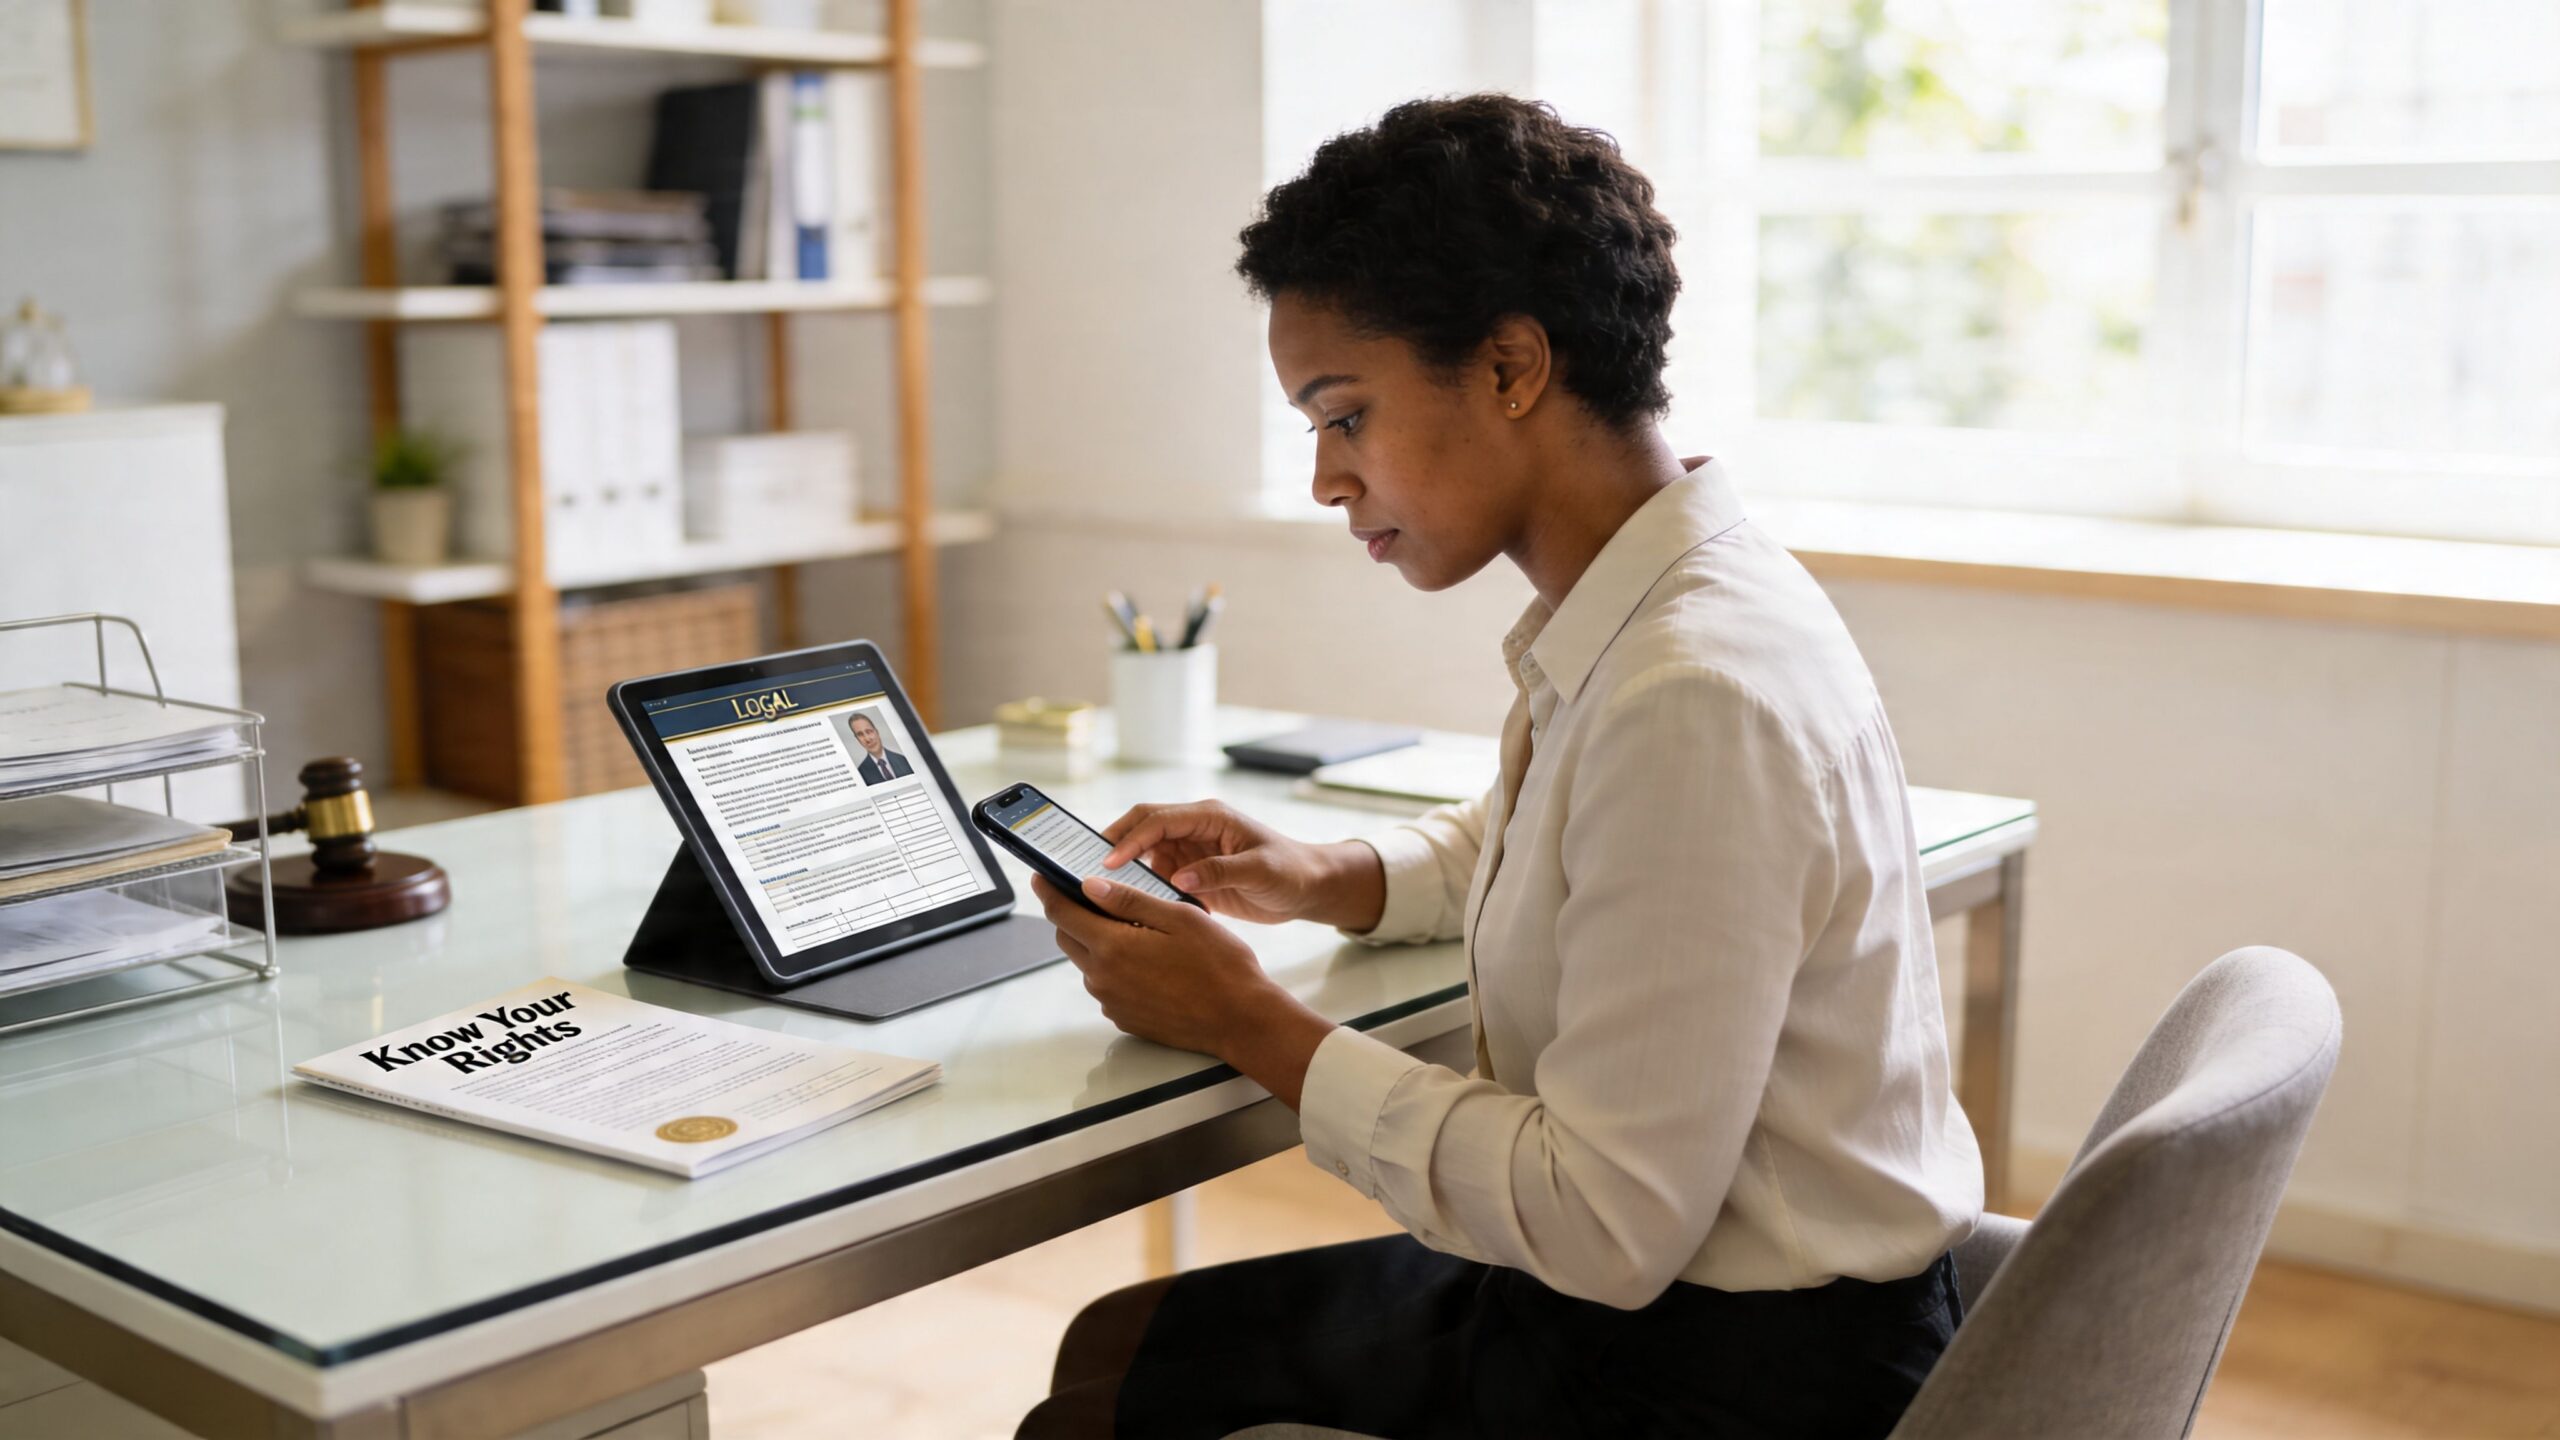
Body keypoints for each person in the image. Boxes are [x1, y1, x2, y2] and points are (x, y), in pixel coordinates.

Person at [1018, 95, 1981, 1440]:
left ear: (1512, 367)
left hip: (1723, 1374)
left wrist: (1249, 1020)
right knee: (1117, 1340)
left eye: (1343, 415)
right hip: (1663, 1306)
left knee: (1095, 1413)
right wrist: (1324, 875)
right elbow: (1553, 848)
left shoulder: (1691, 692)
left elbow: (1602, 1221)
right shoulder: (1664, 600)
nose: (1323, 481)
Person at [846, 711, 912, 785]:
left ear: (877, 732)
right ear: (857, 739)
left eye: (869, 731)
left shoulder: (904, 760)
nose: (867, 739)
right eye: (860, 734)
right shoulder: (860, 774)